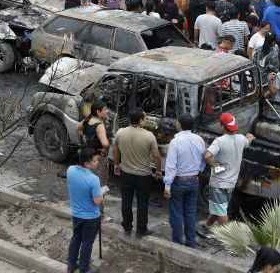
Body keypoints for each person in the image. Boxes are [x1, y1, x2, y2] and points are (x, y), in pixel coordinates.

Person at [197, 112, 254, 238]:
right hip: (231, 183)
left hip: (218, 182)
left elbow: (207, 155)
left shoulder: (220, 141)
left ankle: (230, 238)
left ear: (222, 127)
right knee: (219, 207)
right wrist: (250, 136)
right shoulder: (240, 139)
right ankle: (207, 226)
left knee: (221, 211)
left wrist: (213, 164)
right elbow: (249, 139)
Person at [113, 108, 161, 237]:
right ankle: (141, 230)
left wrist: (117, 163)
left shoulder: (120, 132)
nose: (145, 120)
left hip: (126, 173)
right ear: (141, 121)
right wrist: (158, 170)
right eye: (145, 118)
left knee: (126, 201)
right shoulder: (149, 136)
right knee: (142, 203)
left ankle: (127, 226)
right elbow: (156, 156)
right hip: (143, 175)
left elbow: (115, 150)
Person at [163, 114, 206, 248]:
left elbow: (170, 166)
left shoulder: (175, 142)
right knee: (191, 213)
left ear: (179, 125)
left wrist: (167, 186)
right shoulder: (199, 140)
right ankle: (191, 243)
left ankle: (177, 243)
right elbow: (203, 160)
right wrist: (197, 172)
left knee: (176, 214)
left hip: (179, 181)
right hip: (193, 180)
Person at [66, 148, 103, 273]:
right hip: (91, 218)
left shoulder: (70, 170)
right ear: (87, 164)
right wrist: (102, 192)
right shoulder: (93, 179)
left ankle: (71, 264)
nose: (97, 162)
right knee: (87, 243)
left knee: (76, 238)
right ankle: (84, 268)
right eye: (94, 161)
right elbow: (97, 201)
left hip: (76, 214)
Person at [76, 100, 112, 223]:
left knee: (89, 185)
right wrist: (105, 151)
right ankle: (101, 215)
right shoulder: (99, 125)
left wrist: (85, 138)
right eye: (105, 109)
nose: (107, 111)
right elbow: (106, 144)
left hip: (88, 157)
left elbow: (78, 128)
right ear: (98, 111)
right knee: (100, 187)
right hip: (98, 158)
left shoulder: (87, 120)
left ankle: (89, 210)